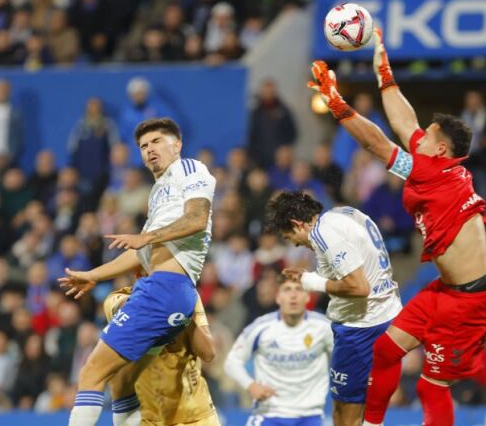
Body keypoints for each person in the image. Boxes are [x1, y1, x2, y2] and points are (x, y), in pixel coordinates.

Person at [306, 27, 486, 426]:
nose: (418, 138)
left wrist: (337, 102)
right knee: (385, 352)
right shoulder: (441, 165)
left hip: (471, 303)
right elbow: (404, 119)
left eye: (427, 138)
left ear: (441, 149)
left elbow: (376, 144)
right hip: (446, 290)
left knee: (432, 387)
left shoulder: (433, 173)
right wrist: (385, 73)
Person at [58, 117, 216, 426]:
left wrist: (148, 237)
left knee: (91, 373)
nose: (149, 150)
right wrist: (93, 275)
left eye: (157, 141)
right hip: (169, 292)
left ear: (177, 144)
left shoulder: (190, 169)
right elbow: (140, 253)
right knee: (121, 381)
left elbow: (197, 218)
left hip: (164, 289)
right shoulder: (158, 192)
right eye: (143, 146)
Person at [266, 191, 402, 426]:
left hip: (361, 328)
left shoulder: (323, 233)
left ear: (298, 224)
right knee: (369, 413)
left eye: (291, 237)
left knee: (344, 412)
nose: (297, 244)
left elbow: (359, 287)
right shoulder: (343, 213)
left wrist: (312, 283)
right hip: (387, 315)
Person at [103, 284, 220, 426]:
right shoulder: (116, 298)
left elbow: (208, 353)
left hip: (196, 414)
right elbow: (131, 313)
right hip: (149, 417)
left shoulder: (189, 295)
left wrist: (184, 318)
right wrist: (166, 306)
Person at [224, 275, 333, 426]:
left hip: (310, 415)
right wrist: (251, 385)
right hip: (269, 414)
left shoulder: (324, 327)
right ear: (278, 297)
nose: (293, 295)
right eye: (287, 290)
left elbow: (344, 360)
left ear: (307, 297)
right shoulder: (260, 328)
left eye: (299, 290)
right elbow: (231, 362)